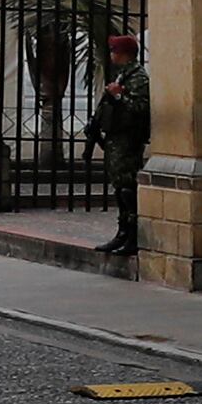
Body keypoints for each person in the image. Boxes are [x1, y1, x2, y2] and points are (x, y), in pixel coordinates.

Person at [83, 32, 150, 256]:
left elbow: (141, 108)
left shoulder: (137, 77)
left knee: (127, 188)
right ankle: (122, 233)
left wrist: (119, 96)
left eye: (114, 51)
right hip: (116, 139)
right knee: (120, 188)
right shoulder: (123, 75)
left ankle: (130, 235)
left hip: (128, 140)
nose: (111, 54)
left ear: (125, 54)